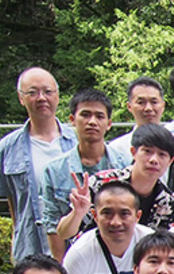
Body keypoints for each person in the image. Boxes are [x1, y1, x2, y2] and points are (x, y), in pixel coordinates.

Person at [0, 67, 77, 261]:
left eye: (48, 92)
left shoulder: (78, 142)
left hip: (74, 246)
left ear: (57, 96)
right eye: (32, 92)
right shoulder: (7, 147)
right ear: (21, 98)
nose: (41, 98)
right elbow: (12, 202)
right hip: (30, 246)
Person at [40, 89, 129, 261]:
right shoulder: (54, 171)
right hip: (75, 260)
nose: (92, 122)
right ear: (72, 120)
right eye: (85, 115)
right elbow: (53, 228)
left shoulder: (125, 164)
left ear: (109, 123)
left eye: (99, 116)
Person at [62, 182, 151, 274]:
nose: (116, 222)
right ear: (95, 215)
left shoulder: (152, 245)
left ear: (137, 216)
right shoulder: (80, 252)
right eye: (107, 213)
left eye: (124, 214)